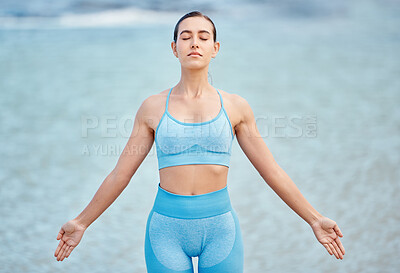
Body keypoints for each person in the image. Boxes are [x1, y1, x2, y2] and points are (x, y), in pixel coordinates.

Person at [54, 10, 345, 272]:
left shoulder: (236, 107)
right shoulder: (153, 108)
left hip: (220, 231)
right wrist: (81, 222)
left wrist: (314, 219)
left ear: (215, 48)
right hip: (165, 231)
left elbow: (272, 171)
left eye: (203, 37)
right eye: (186, 36)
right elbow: (120, 174)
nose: (195, 43)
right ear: (174, 48)